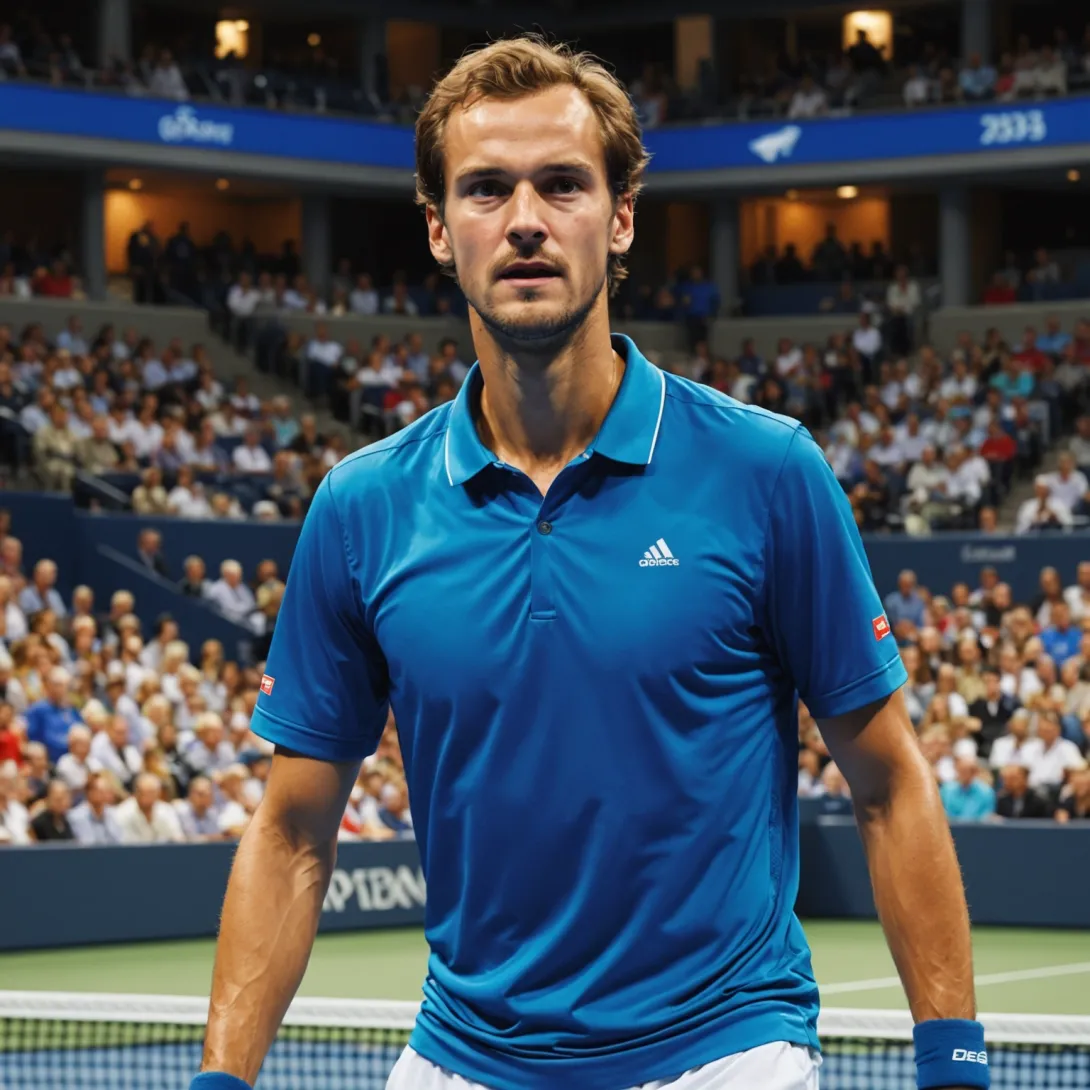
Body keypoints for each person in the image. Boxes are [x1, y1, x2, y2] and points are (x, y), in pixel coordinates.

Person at [194, 36, 986, 1090]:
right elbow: (293, 832)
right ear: (438, 229)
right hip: (462, 1056)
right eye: (486, 189)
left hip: (723, 1053)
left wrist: (954, 1064)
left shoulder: (765, 471)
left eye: (562, 184)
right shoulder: (359, 507)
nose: (524, 218)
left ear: (619, 219)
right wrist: (221, 1080)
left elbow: (888, 784)